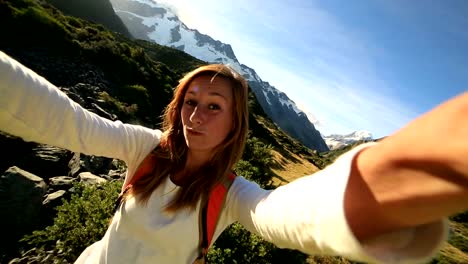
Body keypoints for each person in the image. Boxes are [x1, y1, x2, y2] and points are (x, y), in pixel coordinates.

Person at [0, 50, 467, 264]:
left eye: (214, 106)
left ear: (234, 125)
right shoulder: (144, 148)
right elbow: (67, 122)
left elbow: (276, 215)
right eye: (190, 101)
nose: (195, 115)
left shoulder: (232, 194)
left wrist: (367, 189)